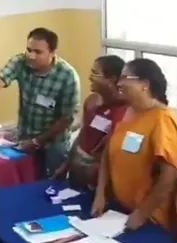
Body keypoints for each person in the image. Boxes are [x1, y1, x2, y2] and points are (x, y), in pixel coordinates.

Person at [92, 58, 177, 243]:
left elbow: (171, 175)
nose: (119, 83)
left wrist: (142, 214)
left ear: (144, 84)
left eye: (125, 78)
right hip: (119, 212)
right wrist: (100, 194)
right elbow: (108, 153)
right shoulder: (129, 112)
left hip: (152, 220)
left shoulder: (163, 120)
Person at [0, 27, 81, 177]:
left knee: (55, 182)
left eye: (38, 52)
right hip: (26, 134)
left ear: (53, 52)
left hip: (55, 140)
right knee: (29, 177)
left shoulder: (68, 77)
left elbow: (66, 119)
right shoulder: (20, 61)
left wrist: (37, 141)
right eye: (29, 50)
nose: (31, 56)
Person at [52, 55, 127, 189]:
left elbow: (111, 153)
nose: (90, 77)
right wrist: (66, 165)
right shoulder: (92, 101)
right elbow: (83, 134)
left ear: (112, 79)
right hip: (77, 171)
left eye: (95, 73)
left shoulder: (125, 111)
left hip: (98, 178)